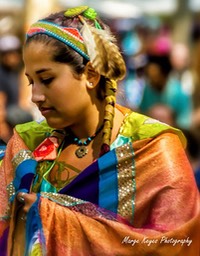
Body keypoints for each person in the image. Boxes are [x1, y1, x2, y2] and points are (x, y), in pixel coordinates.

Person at [0, 5, 199, 256]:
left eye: (47, 79)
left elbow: (180, 244)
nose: (35, 96)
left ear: (91, 75)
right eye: (31, 82)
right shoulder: (28, 145)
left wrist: (53, 218)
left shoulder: (153, 151)